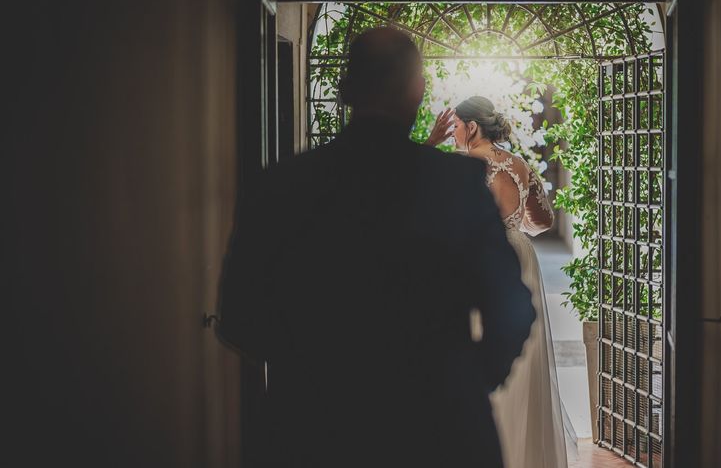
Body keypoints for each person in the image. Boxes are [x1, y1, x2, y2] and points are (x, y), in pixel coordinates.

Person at [216, 27, 536, 467]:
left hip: (313, 433)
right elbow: (512, 309)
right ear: (418, 92)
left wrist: (310, 371)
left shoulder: (281, 184)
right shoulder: (455, 185)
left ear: (345, 90)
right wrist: (465, 380)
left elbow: (237, 315)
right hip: (440, 432)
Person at [427, 96, 575, 468]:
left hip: (479, 259)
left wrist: (429, 146)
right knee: (523, 356)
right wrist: (513, 221)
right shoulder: (520, 165)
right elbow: (541, 222)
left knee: (476, 342)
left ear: (471, 127)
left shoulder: (461, 166)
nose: (452, 135)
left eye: (456, 127)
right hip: (521, 256)